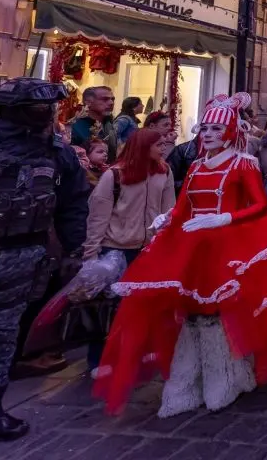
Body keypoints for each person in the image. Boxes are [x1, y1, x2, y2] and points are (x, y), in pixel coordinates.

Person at [92, 93, 267, 417]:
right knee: (192, 314)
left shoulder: (244, 163)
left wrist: (225, 218)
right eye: (205, 129)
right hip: (193, 245)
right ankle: (189, 383)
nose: (208, 135)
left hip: (228, 245)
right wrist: (167, 219)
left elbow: (260, 204)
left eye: (216, 129)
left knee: (218, 313)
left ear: (229, 131)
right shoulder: (197, 165)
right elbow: (184, 204)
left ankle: (226, 378)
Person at [0, 79, 88, 450]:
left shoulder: (58, 155)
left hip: (22, 264)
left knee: (1, 341)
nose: (47, 116)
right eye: (37, 109)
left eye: (49, 109)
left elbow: (73, 202)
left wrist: (74, 251)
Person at [82, 128, 176, 369]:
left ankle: (136, 352)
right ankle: (100, 360)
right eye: (159, 144)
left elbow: (169, 212)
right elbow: (98, 218)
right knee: (109, 308)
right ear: (144, 146)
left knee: (143, 306)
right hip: (115, 248)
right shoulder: (114, 176)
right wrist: (91, 254)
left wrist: (166, 244)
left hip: (148, 249)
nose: (163, 148)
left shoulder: (163, 172)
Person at [71, 86, 118, 162]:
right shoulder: (75, 127)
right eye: (105, 99)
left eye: (112, 99)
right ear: (88, 102)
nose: (111, 103)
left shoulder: (109, 125)